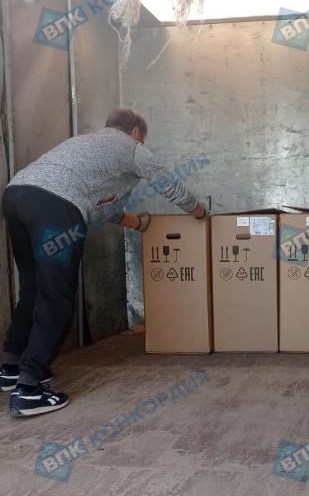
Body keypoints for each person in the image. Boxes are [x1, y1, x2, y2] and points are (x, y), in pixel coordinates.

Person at [0, 108, 208, 417]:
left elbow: (104, 210)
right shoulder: (133, 148)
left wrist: (139, 224)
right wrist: (198, 211)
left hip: (16, 196)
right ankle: (29, 389)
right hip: (55, 209)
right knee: (56, 296)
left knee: (32, 288)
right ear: (135, 132)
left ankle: (11, 368)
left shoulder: (83, 145)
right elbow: (167, 184)